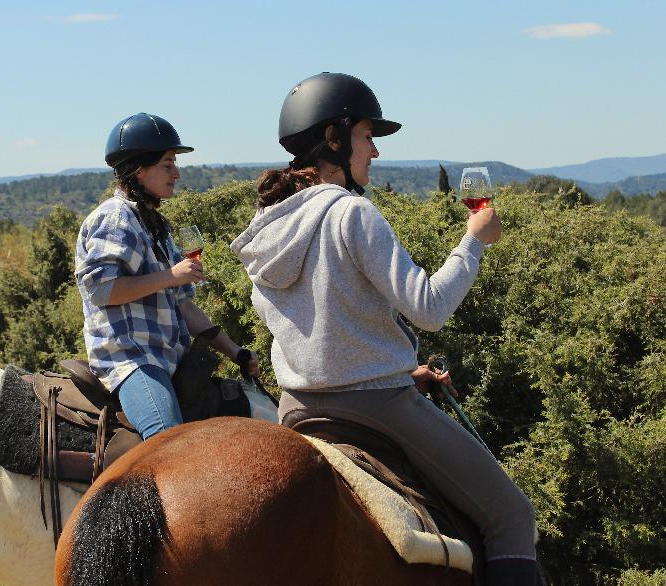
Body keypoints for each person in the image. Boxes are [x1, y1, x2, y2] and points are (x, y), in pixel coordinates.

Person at [230, 73, 537, 584]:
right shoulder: (353, 213)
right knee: (512, 516)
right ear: (335, 137)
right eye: (368, 137)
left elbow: (290, 322)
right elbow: (428, 308)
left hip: (296, 407)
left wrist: (379, 357)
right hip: (377, 405)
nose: (373, 152)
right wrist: (474, 242)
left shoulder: (267, 227)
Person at [75, 112, 259, 440]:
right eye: (167, 164)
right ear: (138, 170)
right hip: (132, 361)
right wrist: (171, 276)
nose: (177, 173)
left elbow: (184, 306)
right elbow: (102, 290)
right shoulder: (116, 219)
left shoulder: (156, 226)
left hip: (169, 359)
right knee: (169, 440)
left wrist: (235, 352)